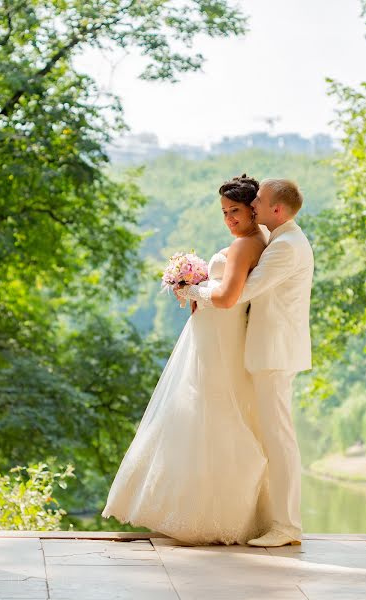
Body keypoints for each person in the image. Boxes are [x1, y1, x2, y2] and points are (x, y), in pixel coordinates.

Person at [101, 175, 274, 546]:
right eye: (225, 212)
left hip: (220, 334)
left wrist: (190, 287)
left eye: (235, 212)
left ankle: (208, 516)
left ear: (253, 209)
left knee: (208, 411)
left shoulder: (246, 245)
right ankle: (211, 510)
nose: (229, 219)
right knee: (208, 411)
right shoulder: (259, 239)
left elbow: (228, 297)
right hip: (219, 333)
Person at [178, 178, 314, 547]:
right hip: (268, 350)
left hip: (274, 352)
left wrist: (189, 288)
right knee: (271, 436)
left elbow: (240, 294)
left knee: (279, 439)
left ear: (278, 210)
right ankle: (274, 520)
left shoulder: (285, 247)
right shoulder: (281, 241)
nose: (253, 206)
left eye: (259, 202)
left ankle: (286, 527)